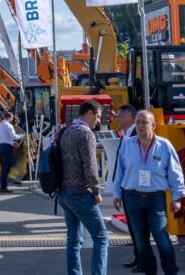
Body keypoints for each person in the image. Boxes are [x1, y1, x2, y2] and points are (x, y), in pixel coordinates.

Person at [113, 111, 185, 275]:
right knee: (140, 240)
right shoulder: (128, 144)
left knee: (161, 237)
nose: (139, 126)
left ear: (153, 125)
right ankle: (149, 271)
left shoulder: (164, 145)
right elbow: (120, 171)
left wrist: (177, 198)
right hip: (132, 197)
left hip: (155, 198)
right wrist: (117, 194)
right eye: (138, 122)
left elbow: (175, 173)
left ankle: (171, 271)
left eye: (144, 122)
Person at [59, 100, 108, 275]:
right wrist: (96, 191)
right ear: (89, 114)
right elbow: (91, 167)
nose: (99, 121)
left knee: (73, 239)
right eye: (98, 116)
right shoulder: (86, 134)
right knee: (101, 237)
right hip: (80, 193)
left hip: (64, 192)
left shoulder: (65, 132)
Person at [114, 104, 143, 271]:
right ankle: (137, 257)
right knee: (133, 226)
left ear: (129, 117)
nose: (118, 119)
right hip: (126, 186)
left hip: (136, 187)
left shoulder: (136, 134)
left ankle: (143, 259)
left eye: (120, 116)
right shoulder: (125, 134)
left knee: (139, 227)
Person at [0, 112, 23, 193]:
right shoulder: (8, 125)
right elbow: (14, 136)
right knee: (6, 167)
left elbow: (3, 138)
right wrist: (21, 135)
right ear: (10, 117)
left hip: (0, 146)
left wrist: (11, 142)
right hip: (7, 147)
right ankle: (3, 187)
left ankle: (2, 185)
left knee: (3, 166)